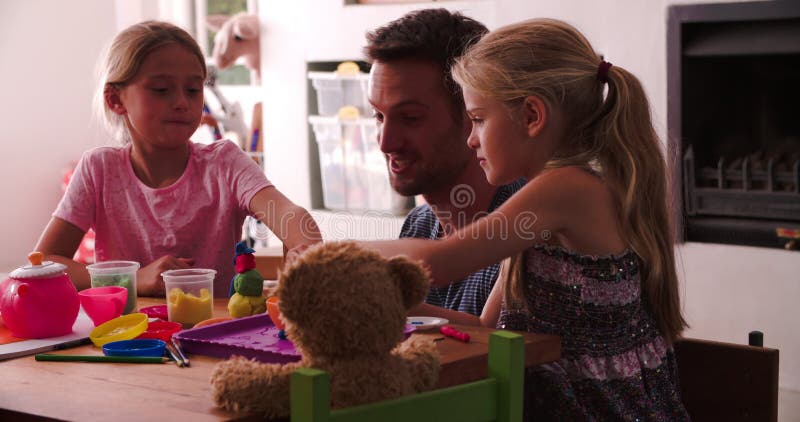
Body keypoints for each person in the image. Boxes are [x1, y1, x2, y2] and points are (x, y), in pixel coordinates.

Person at [359, 18, 689, 419]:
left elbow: (440, 262)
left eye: (479, 118)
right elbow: (485, 326)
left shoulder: (567, 189)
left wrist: (335, 253)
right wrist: (393, 308)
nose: (471, 138)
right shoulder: (542, 204)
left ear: (532, 116)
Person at [34, 21, 321, 298]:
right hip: (120, 340)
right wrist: (133, 279)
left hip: (209, 336)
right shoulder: (98, 170)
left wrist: (304, 249)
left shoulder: (225, 162)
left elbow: (291, 216)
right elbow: (44, 263)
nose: (182, 102)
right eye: (161, 90)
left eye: (194, 90)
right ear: (115, 100)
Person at [363, 9, 525, 316]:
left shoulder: (528, 230)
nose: (385, 143)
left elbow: (499, 354)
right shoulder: (419, 225)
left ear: (473, 114)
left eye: (410, 118)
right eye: (379, 116)